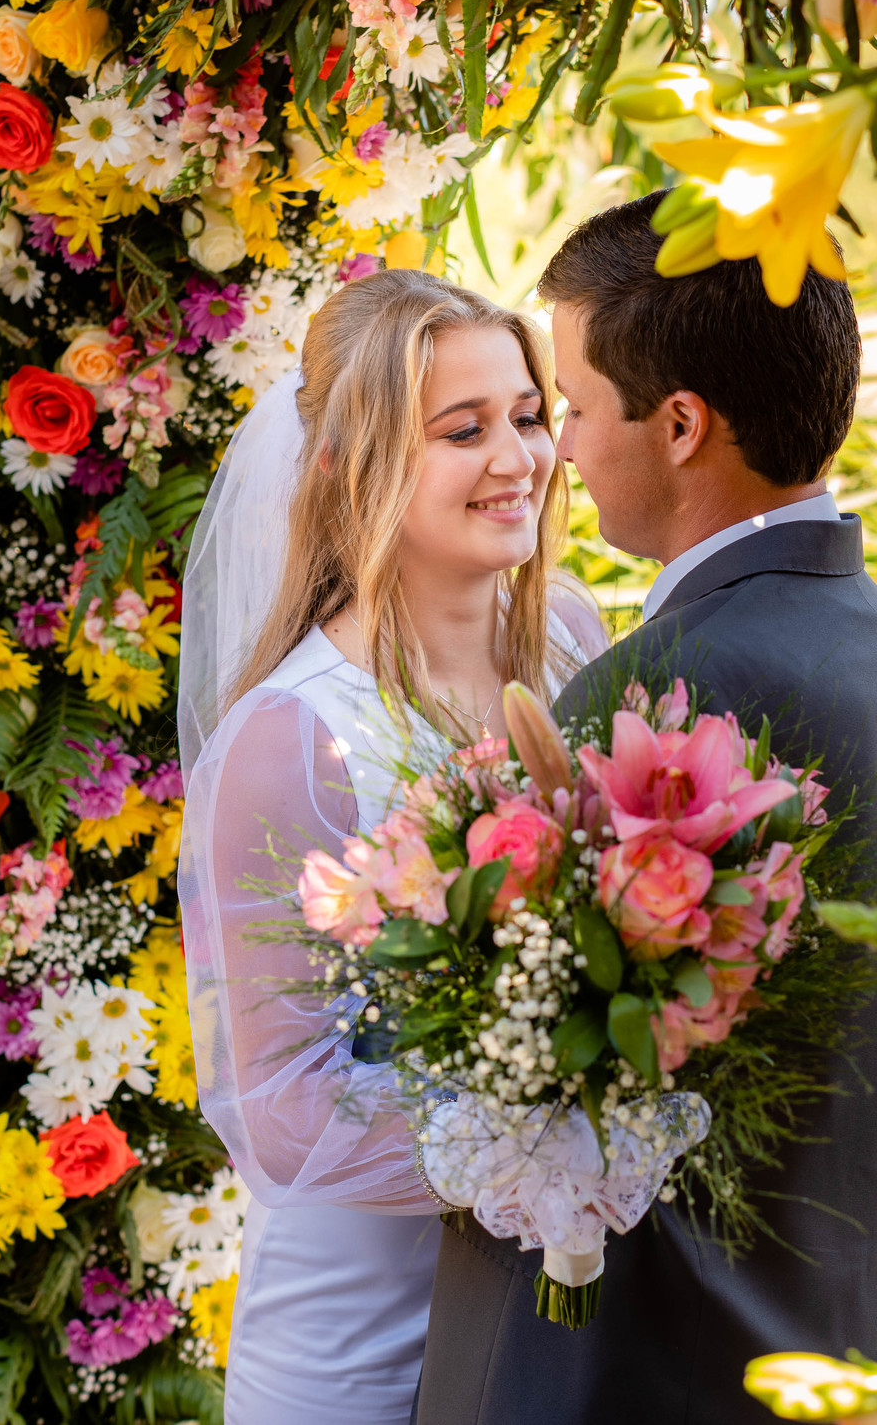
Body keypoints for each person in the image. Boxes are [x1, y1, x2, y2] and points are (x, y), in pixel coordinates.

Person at [413, 196, 877, 1425]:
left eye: (571, 405)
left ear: (677, 424)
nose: (557, 449)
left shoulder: (667, 688)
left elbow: (531, 1077)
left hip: (625, 1366)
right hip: (807, 1331)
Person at [176, 269, 608, 1425]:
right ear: (350, 465)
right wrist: (557, 1143)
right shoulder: (293, 736)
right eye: (464, 431)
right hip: (357, 1350)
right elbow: (284, 1112)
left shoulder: (572, 642)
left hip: (547, 1331)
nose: (517, 457)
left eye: (528, 415)